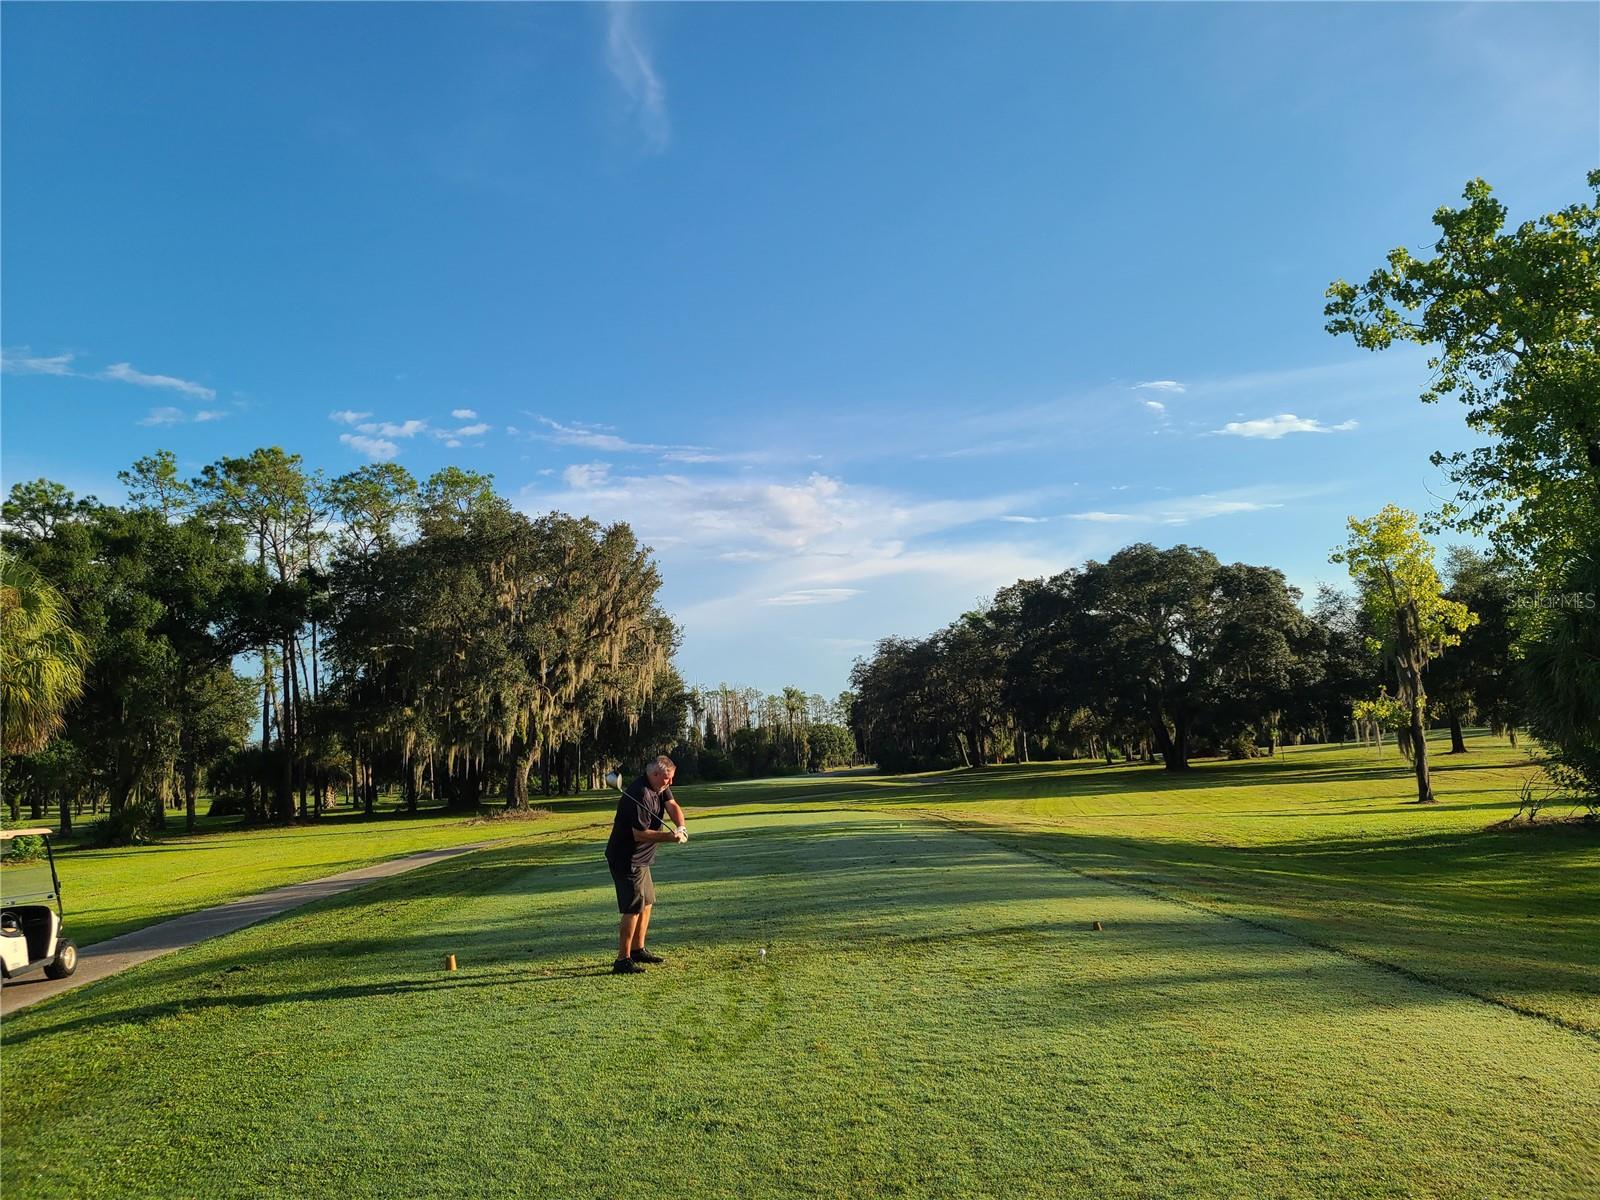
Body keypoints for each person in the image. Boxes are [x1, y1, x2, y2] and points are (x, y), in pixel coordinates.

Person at [604, 755, 688, 974]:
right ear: (655, 774)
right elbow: (639, 834)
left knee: (647, 901)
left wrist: (681, 827)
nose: (670, 783)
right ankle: (622, 960)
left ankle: (638, 949)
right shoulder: (639, 793)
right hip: (627, 857)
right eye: (667, 779)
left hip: (642, 859)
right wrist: (670, 838)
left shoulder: (659, 788)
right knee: (632, 907)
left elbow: (672, 805)